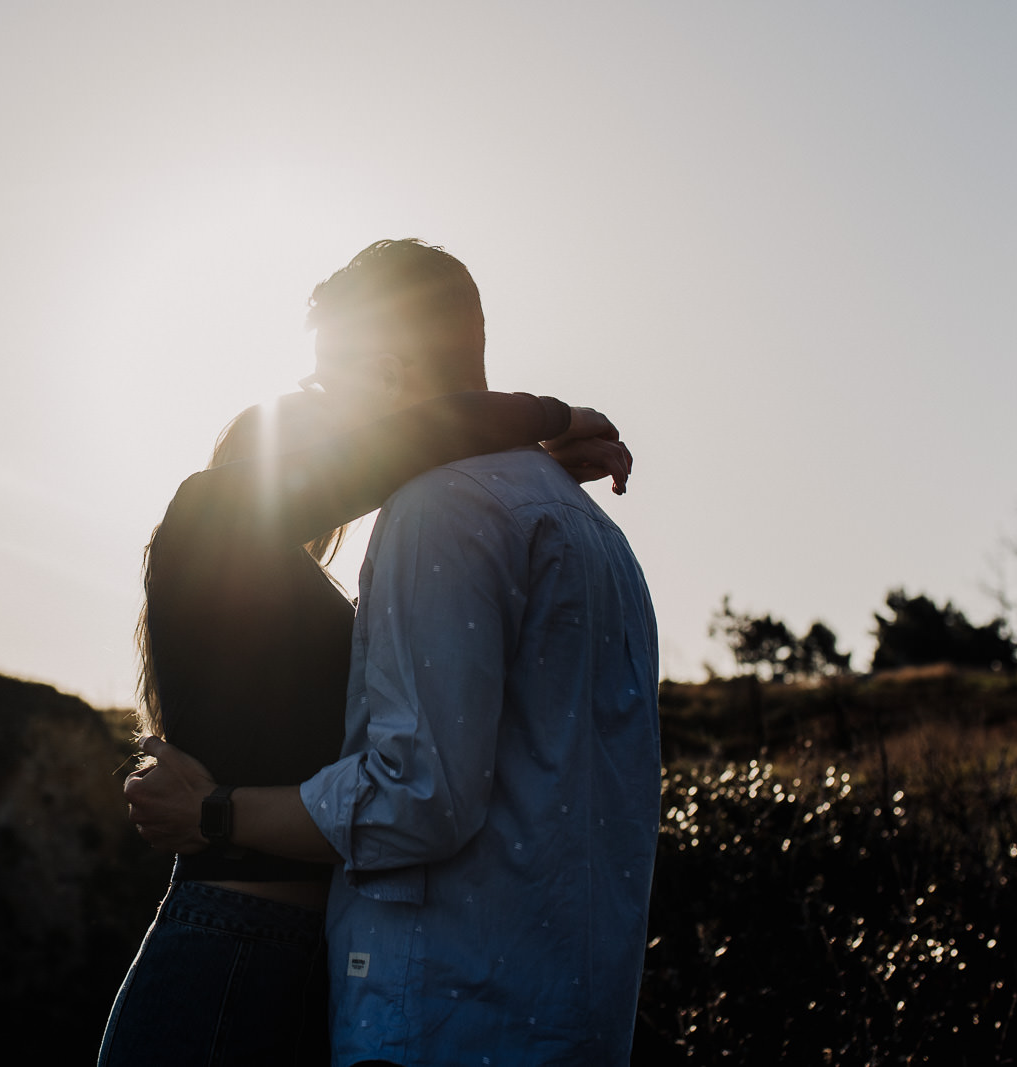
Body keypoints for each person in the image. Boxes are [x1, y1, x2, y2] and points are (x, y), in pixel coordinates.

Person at [127, 239, 660, 1065]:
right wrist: (546, 422)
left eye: (327, 386)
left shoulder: (352, 592)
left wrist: (518, 464)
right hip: (235, 947)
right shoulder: (207, 513)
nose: (328, 419)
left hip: (326, 968)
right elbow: (429, 429)